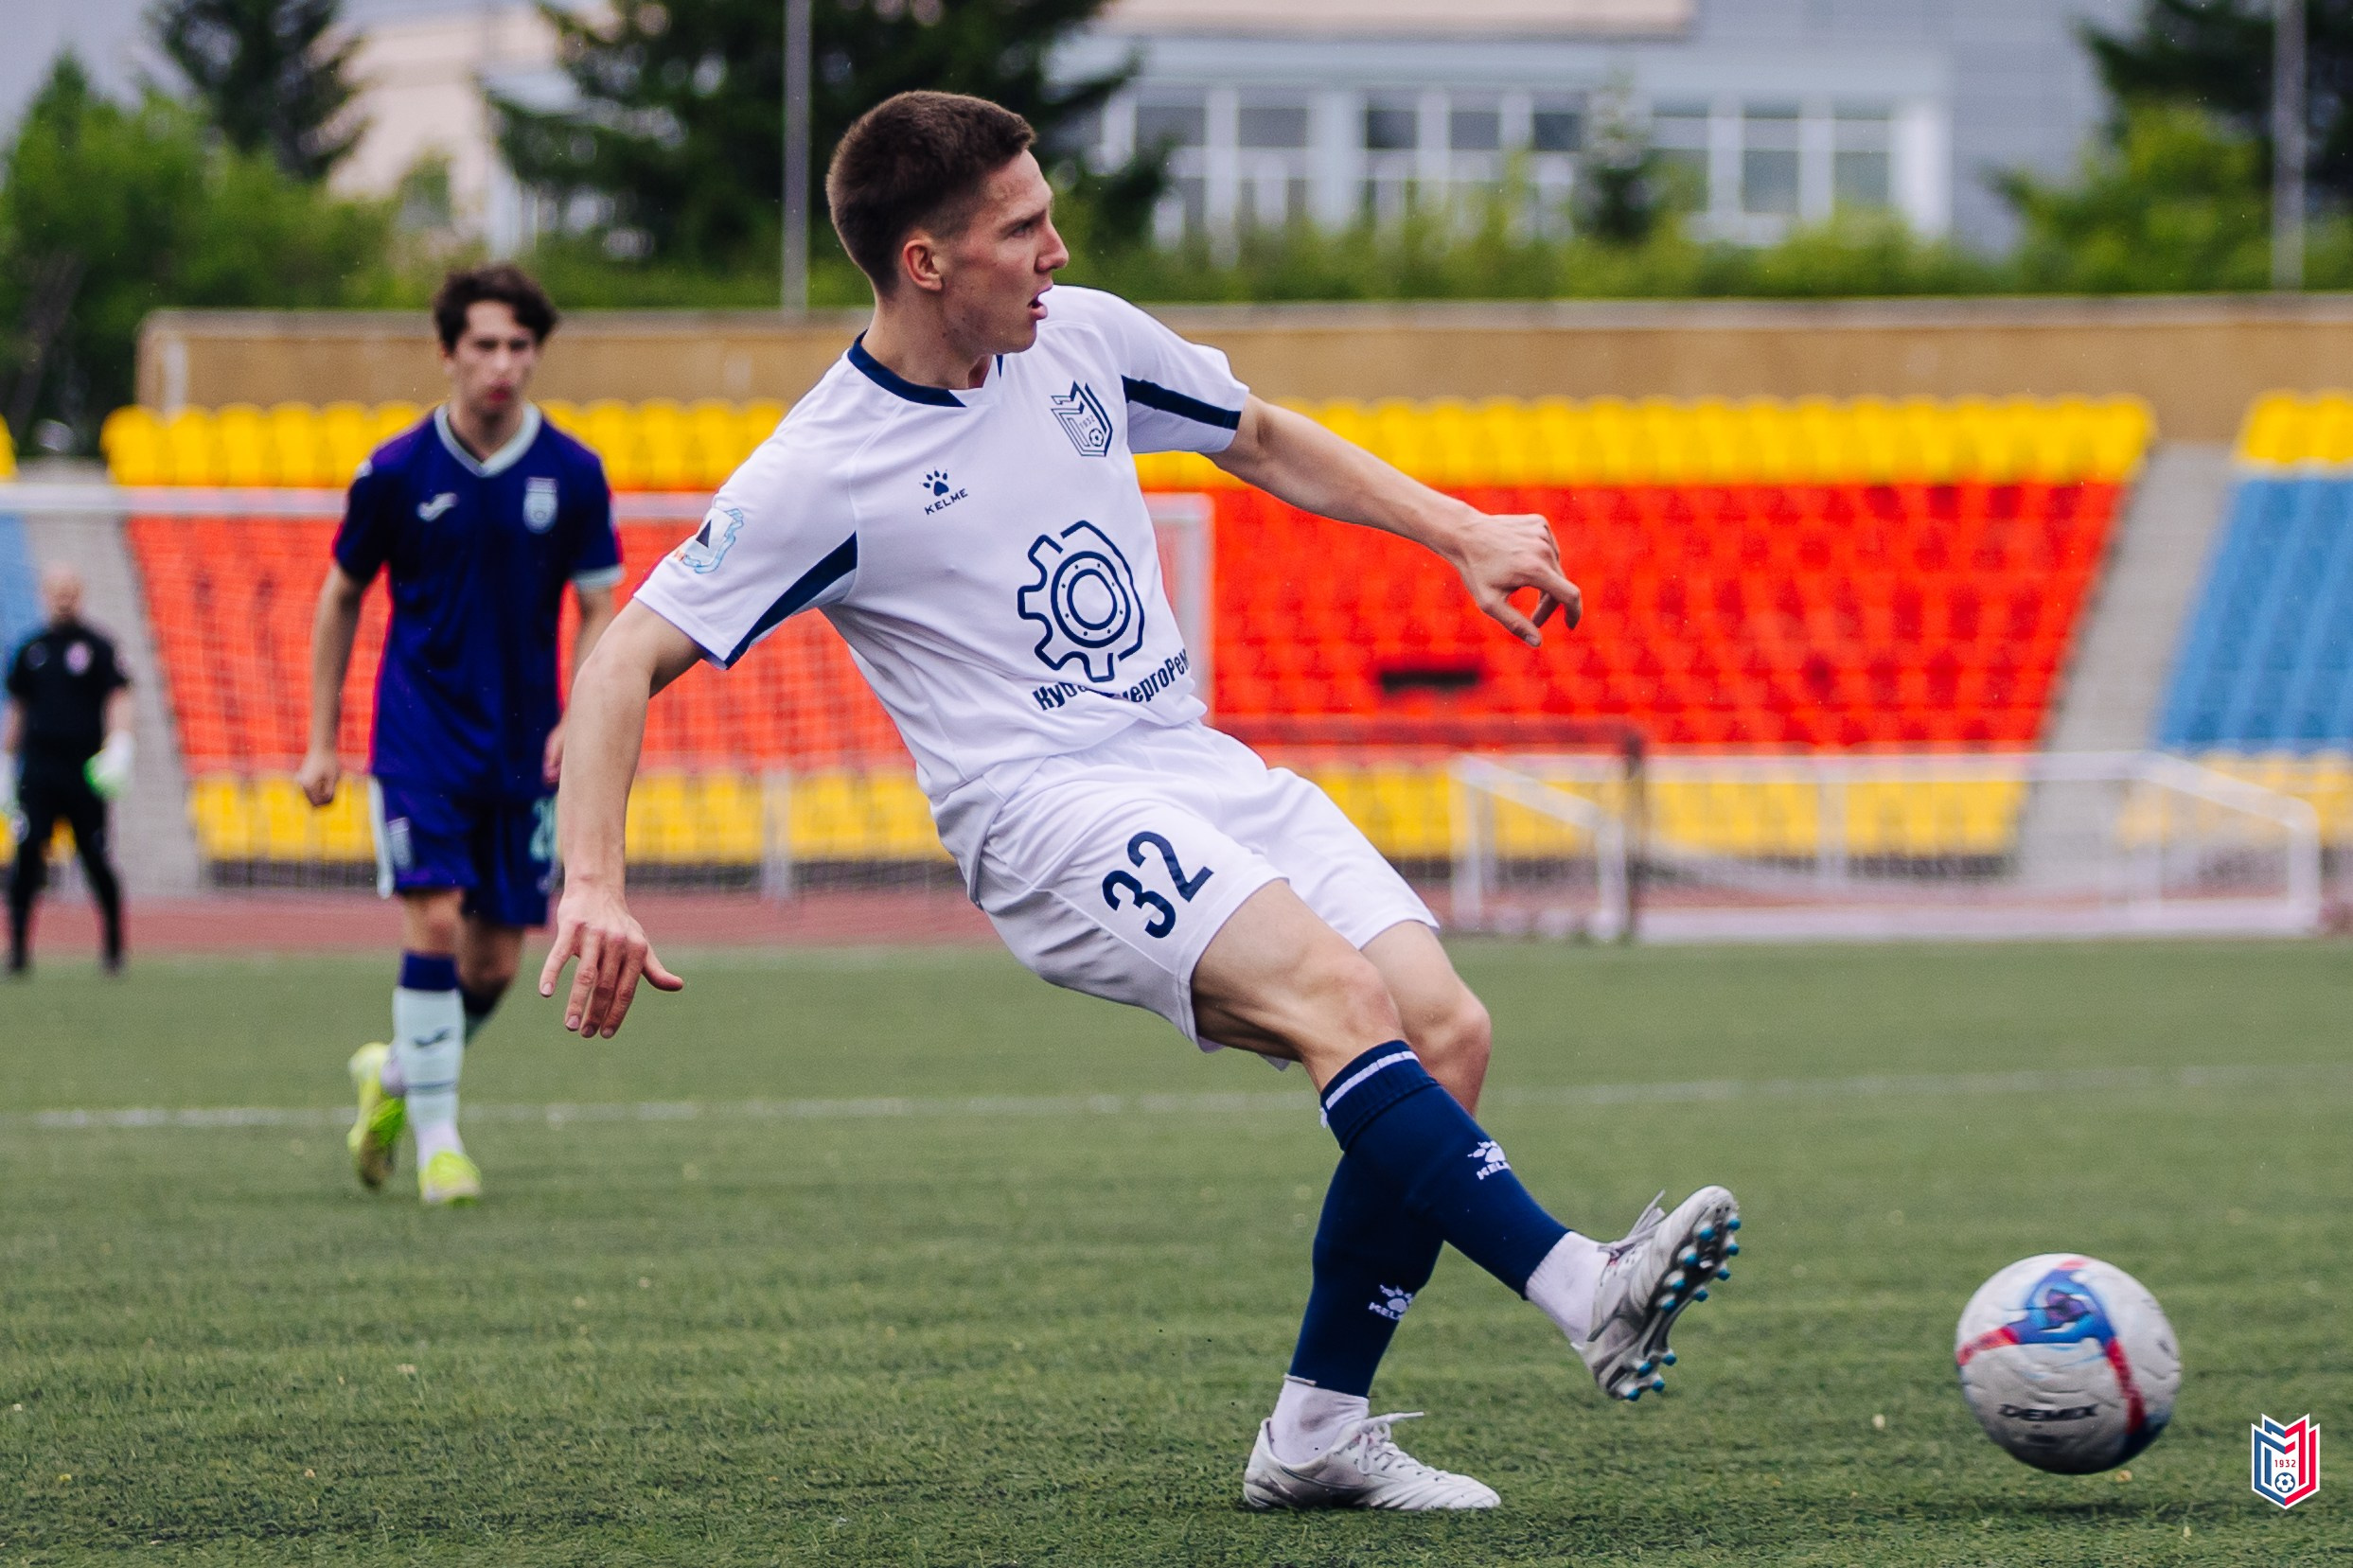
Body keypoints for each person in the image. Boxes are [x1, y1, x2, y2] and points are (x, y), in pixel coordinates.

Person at [539, 92, 1741, 1509]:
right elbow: (623, 656)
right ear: (926, 262)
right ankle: (1580, 1283)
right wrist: (596, 882)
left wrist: (1459, 529)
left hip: (1185, 757)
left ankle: (1312, 1436)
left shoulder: (1085, 340)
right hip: (1037, 809)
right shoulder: (823, 467)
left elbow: (1261, 436)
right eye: (1023, 226)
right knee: (1338, 1006)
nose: (1057, 248)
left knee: (1442, 1028)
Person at [301, 264, 622, 1207]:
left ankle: (393, 1073)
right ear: (447, 351)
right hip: (417, 736)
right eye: (483, 344)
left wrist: (581, 712)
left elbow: (600, 604)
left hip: (525, 746)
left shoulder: (572, 472)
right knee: (434, 921)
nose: (502, 364)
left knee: (492, 963)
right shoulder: (396, 471)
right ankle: (440, 1140)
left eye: (519, 346)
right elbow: (340, 596)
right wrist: (322, 738)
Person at [5, 564, 133, 975]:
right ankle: (19, 951)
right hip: (39, 771)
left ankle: (113, 948)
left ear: (80, 593)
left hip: (84, 771)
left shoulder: (99, 646)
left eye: (70, 591)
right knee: (27, 857)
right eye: (57, 591)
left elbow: (118, 697)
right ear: (45, 594)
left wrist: (120, 742)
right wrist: (5, 759)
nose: (63, 598)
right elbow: (18, 711)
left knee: (95, 858)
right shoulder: (30, 649)